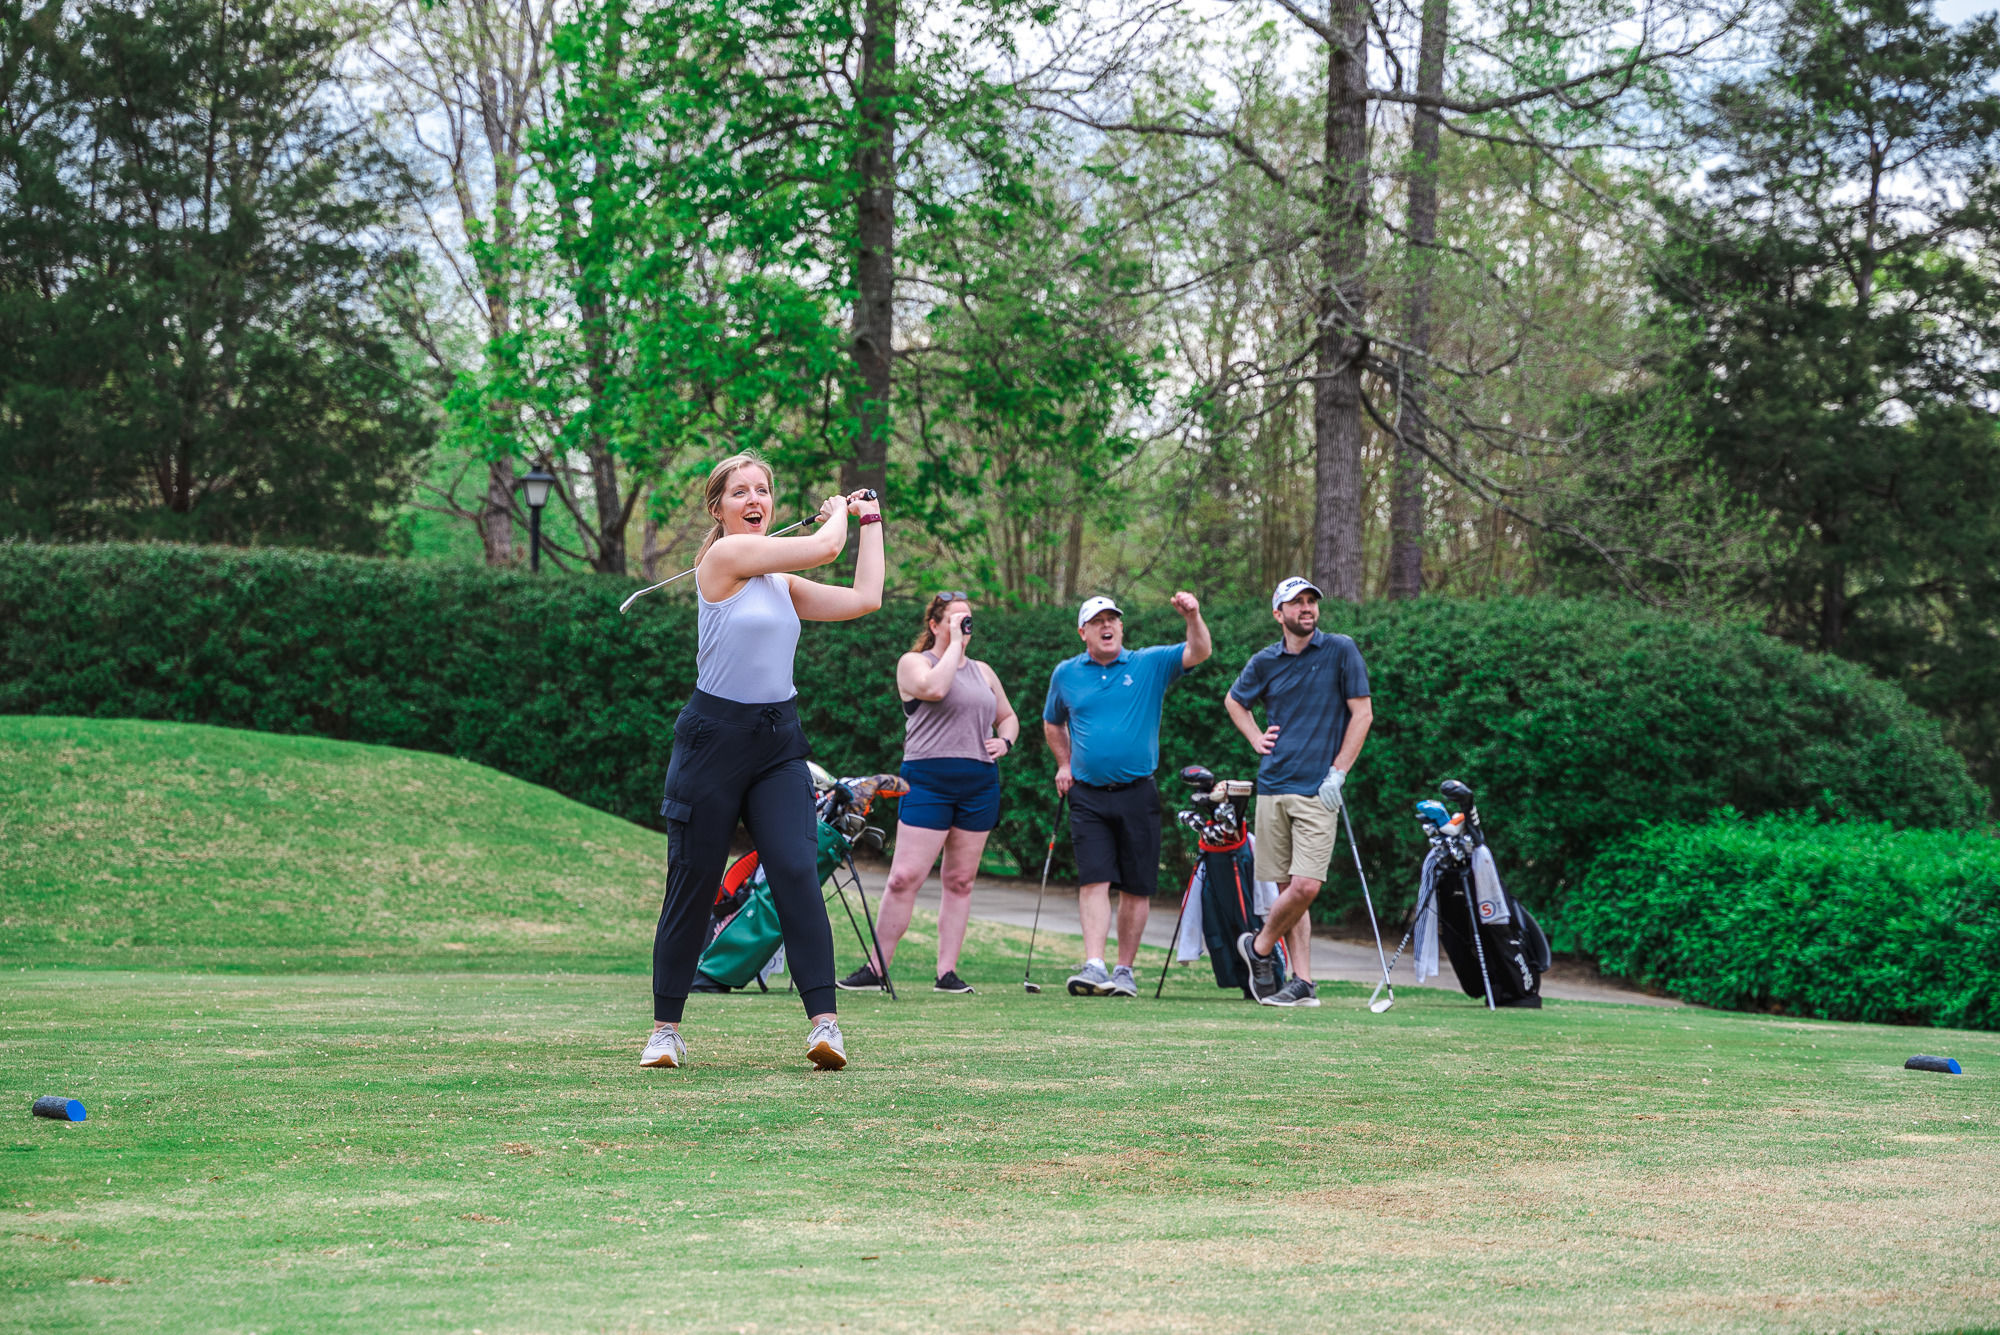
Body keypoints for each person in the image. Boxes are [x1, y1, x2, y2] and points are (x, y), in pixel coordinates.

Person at [640, 452, 883, 1072]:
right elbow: (826, 549)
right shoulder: (723, 558)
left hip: (777, 743)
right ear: (718, 509)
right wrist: (836, 514)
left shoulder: (781, 583)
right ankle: (665, 1031)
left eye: (763, 490)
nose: (755, 499)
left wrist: (871, 522)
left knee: (797, 871)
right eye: (740, 491)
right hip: (712, 741)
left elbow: (865, 598)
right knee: (693, 880)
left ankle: (825, 1026)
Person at [837, 593, 1021, 995]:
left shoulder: (984, 672)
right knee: (904, 878)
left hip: (978, 783)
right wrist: (953, 645)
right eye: (955, 619)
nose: (964, 627)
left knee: (961, 881)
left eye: (968, 620)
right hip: (927, 780)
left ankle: (946, 973)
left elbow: (1007, 716)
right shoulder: (914, 663)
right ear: (934, 625)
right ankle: (876, 969)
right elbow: (935, 690)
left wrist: (1005, 741)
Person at [1043, 592, 1211, 997]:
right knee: (1094, 879)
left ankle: (1124, 971)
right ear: (1083, 632)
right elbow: (1053, 723)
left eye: (1112, 620)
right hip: (1087, 795)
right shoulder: (1066, 674)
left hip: (1138, 792)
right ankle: (1095, 964)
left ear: (1121, 626)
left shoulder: (1148, 663)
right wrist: (1064, 764)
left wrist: (1193, 616)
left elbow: (1200, 651)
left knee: (1136, 886)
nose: (1107, 626)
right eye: (1097, 621)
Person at [1224, 576, 1372, 1007]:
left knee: (1305, 886)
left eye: (1311, 601)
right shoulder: (1265, 661)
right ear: (1279, 614)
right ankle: (1303, 980)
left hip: (1318, 789)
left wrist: (1338, 773)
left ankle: (1259, 946)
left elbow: (1362, 715)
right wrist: (1255, 737)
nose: (1307, 608)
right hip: (1273, 786)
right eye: (1297, 602)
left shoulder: (1341, 650)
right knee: (1288, 889)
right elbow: (1235, 701)